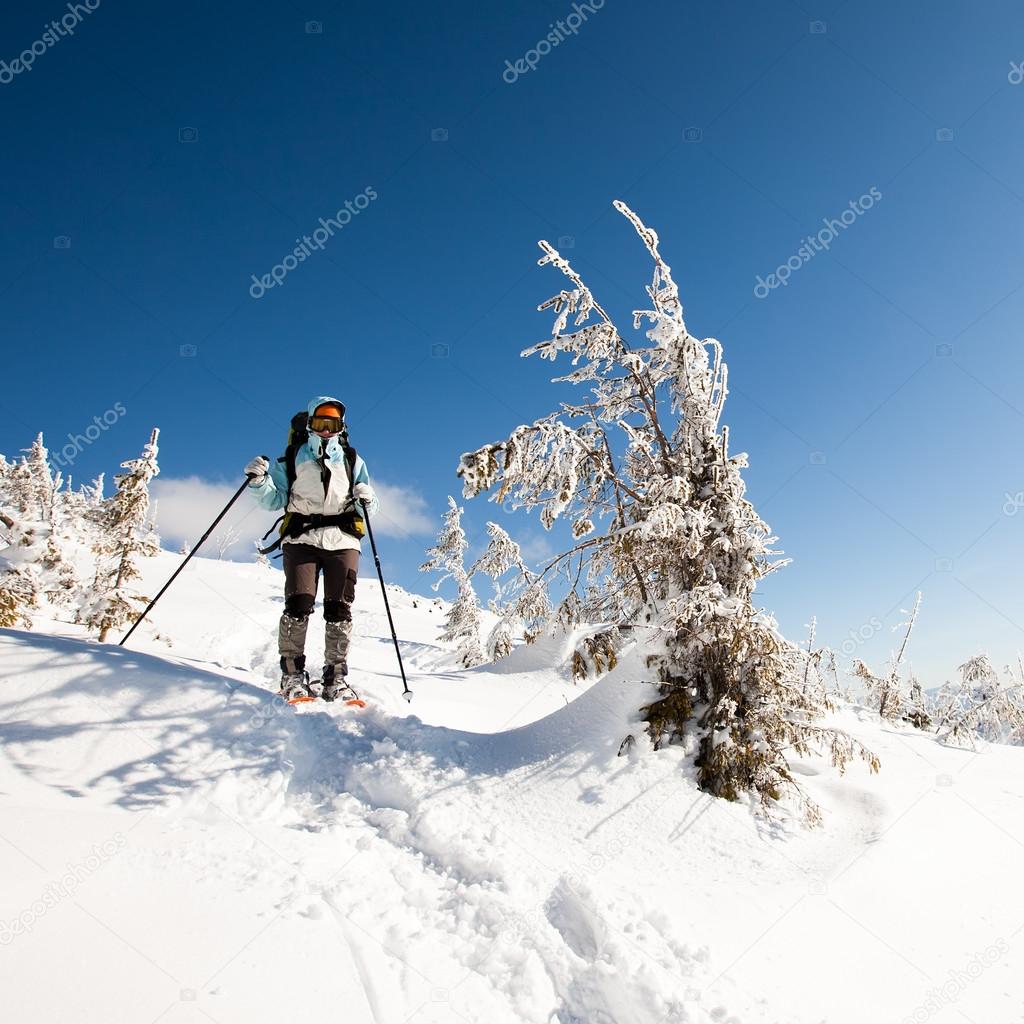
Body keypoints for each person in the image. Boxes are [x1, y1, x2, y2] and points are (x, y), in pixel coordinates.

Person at [245, 396, 379, 701]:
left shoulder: (352, 460)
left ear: (342, 427)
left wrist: (367, 498)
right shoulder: (292, 458)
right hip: (302, 538)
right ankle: (292, 676)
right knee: (299, 603)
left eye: (333, 424)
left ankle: (336, 678)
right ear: (310, 424)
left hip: (342, 540)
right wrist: (258, 482)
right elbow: (274, 500)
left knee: (339, 609)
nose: (327, 430)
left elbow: (369, 508)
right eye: (321, 423)